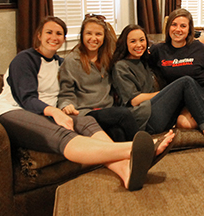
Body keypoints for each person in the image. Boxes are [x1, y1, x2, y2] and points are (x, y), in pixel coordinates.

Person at [0, 16, 175, 191]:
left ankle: (126, 170)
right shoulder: (25, 59)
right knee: (62, 133)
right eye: (49, 32)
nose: (54, 37)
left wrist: (61, 108)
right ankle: (138, 148)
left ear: (64, 38)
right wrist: (56, 112)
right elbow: (26, 98)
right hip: (14, 111)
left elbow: (66, 91)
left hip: (48, 112)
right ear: (39, 35)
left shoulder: (59, 63)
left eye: (58, 34)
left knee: (87, 122)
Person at [111, 24, 204, 150]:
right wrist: (165, 93)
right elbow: (134, 100)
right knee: (185, 81)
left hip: (156, 111)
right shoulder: (121, 66)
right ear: (125, 43)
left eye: (142, 40)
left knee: (188, 85)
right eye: (133, 41)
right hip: (143, 118)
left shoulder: (145, 61)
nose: (139, 45)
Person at [58, 14, 146, 142]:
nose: (93, 38)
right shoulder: (72, 61)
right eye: (89, 33)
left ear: (104, 37)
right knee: (124, 114)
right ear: (82, 35)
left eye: (98, 34)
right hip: (86, 112)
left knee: (118, 134)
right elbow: (65, 92)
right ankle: (145, 149)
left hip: (107, 110)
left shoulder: (108, 58)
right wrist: (66, 105)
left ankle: (131, 160)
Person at [149, 8, 204, 132]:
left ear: (189, 29)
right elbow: (141, 59)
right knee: (182, 123)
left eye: (183, 26)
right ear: (168, 27)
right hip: (183, 97)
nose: (178, 29)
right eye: (174, 25)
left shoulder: (198, 48)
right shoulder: (159, 50)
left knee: (187, 120)